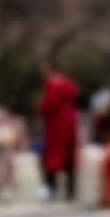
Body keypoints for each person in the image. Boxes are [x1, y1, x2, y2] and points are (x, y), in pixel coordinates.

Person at [39, 64, 81, 202]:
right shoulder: (70, 84)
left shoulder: (53, 85)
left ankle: (52, 189)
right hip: (71, 121)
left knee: (53, 156)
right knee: (70, 157)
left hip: (56, 124)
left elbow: (48, 105)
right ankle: (71, 191)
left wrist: (40, 107)